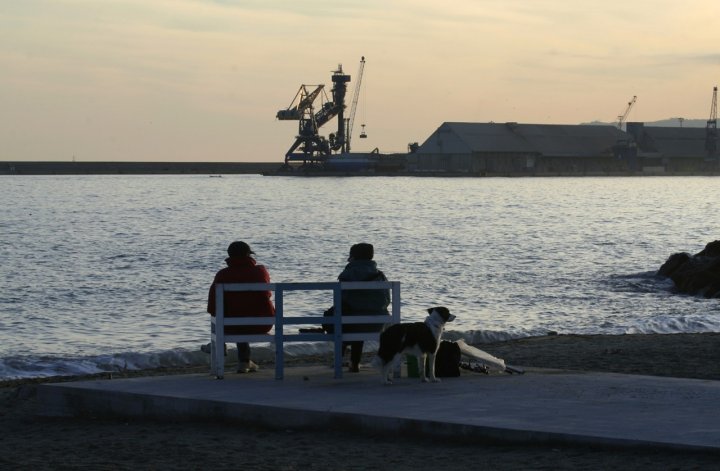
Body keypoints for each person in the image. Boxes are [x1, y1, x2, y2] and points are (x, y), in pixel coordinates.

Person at [207, 241, 274, 373]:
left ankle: (218, 345)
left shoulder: (223, 274)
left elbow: (212, 306)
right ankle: (244, 361)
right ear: (249, 254)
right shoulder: (261, 271)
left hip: (231, 326)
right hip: (263, 323)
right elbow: (267, 294)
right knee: (243, 312)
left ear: (229, 255)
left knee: (231, 314)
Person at [325, 243, 390, 372]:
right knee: (357, 317)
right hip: (378, 325)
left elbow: (340, 302)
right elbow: (387, 300)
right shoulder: (380, 276)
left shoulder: (347, 275)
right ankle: (354, 363)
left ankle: (341, 359)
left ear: (353, 257)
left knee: (338, 316)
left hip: (352, 324)